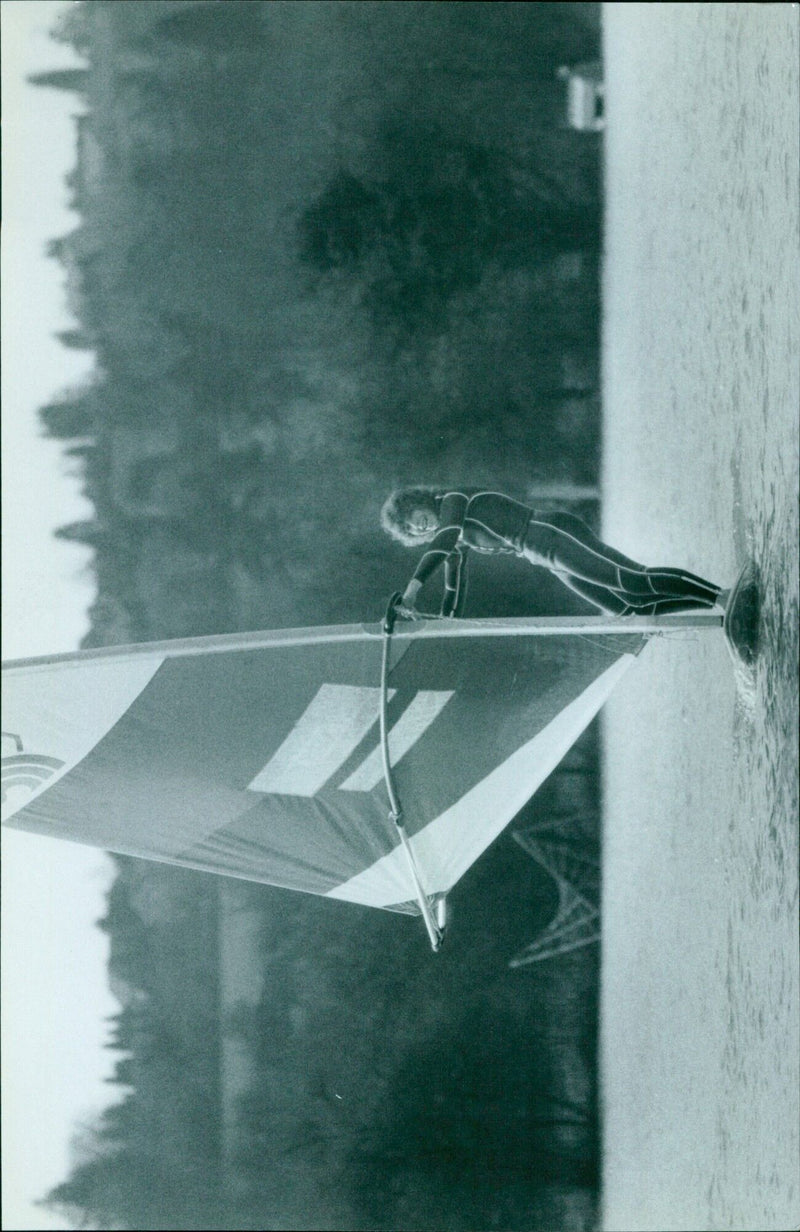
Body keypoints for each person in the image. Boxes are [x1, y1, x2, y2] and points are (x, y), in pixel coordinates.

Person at [381, 486, 728, 618]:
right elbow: (454, 589)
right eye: (412, 532)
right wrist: (446, 625)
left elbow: (442, 541)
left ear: (419, 503)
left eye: (416, 520)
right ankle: (715, 606)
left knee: (635, 581)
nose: (420, 529)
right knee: (627, 610)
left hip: (552, 535)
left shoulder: (452, 502)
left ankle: (721, 595)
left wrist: (412, 590)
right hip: (544, 556)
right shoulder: (451, 537)